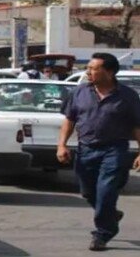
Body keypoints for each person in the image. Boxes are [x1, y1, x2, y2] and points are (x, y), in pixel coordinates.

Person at [57, 52, 140, 251]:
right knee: (88, 192)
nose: (88, 72)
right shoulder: (80, 92)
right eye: (88, 68)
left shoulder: (128, 96)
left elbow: (138, 125)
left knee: (106, 192)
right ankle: (110, 214)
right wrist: (62, 145)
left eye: (94, 69)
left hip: (115, 149)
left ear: (109, 72)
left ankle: (102, 233)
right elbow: (69, 120)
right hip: (86, 149)